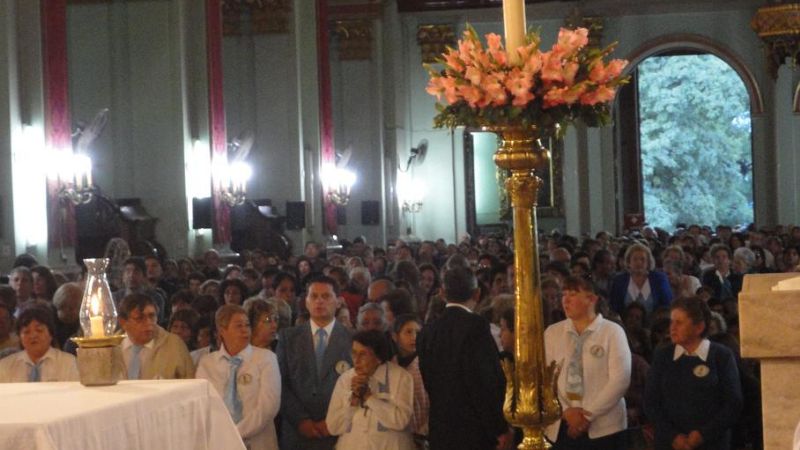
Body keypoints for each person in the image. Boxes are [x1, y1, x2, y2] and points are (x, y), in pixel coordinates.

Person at [417, 265, 509, 450]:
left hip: (440, 428)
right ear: (476, 294)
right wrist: (499, 427)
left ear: (442, 293)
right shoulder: (477, 327)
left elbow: (428, 380)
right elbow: (486, 382)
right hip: (475, 431)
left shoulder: (428, 332)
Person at [544, 276, 631, 449]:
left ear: (591, 299)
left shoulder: (611, 332)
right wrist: (567, 412)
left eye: (573, 294)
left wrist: (587, 416)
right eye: (564, 294)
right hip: (563, 423)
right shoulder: (553, 333)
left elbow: (619, 380)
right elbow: (547, 378)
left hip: (604, 426)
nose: (566, 300)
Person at [645, 296, 742, 450]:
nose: (672, 328)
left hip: (712, 443)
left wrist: (703, 434)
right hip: (669, 444)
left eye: (679, 323)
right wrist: (673, 436)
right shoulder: (662, 355)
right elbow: (651, 402)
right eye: (672, 322)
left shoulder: (721, 356)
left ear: (699, 327)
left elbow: (733, 403)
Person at [277, 275, 353, 450]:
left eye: (326, 296)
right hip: (297, 432)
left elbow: (355, 386)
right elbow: (280, 384)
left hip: (338, 432)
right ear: (306, 301)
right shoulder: (289, 338)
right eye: (314, 296)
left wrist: (332, 421)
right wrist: (301, 420)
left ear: (339, 301)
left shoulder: (352, 339)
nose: (319, 301)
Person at [197, 304, 281, 450]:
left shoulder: (266, 358)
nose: (245, 330)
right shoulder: (207, 363)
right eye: (238, 326)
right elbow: (203, 406)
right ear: (222, 331)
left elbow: (268, 406)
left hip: (257, 442)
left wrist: (236, 433)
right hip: (218, 442)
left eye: (247, 325)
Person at [326, 329, 415, 450]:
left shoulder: (401, 377)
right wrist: (353, 402)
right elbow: (333, 427)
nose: (356, 360)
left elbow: (401, 421)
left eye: (363, 354)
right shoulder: (345, 379)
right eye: (354, 353)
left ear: (379, 357)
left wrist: (369, 398)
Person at [118, 293, 194, 379]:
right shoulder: (110, 348)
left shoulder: (174, 345)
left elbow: (192, 384)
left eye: (152, 316)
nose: (148, 322)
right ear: (123, 322)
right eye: (140, 318)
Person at [0, 306, 78, 382]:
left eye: (39, 330)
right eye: (26, 332)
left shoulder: (68, 362)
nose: (33, 336)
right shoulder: (5, 365)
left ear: (50, 334)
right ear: (19, 337)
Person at [391, 314, 430, 444]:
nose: (414, 337)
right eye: (408, 332)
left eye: (418, 332)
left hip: (422, 434)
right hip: (395, 435)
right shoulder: (389, 367)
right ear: (395, 336)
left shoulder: (427, 365)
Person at [609, 243, 672, 316]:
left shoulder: (659, 279)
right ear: (629, 262)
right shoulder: (619, 280)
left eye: (642, 259)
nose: (639, 263)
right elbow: (614, 308)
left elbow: (667, 306)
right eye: (635, 259)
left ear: (648, 263)